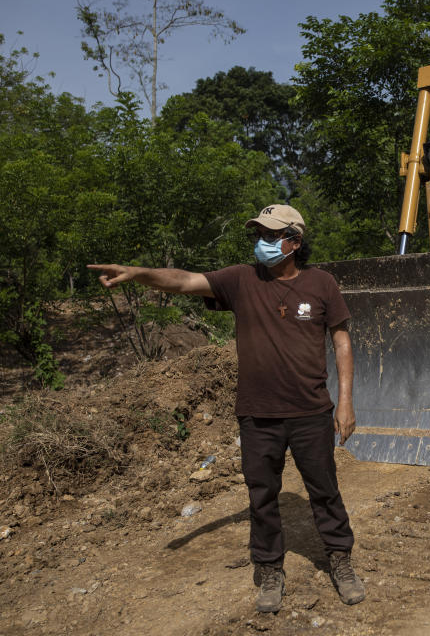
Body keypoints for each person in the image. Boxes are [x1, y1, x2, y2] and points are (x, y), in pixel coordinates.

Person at [88, 204, 366, 611]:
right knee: (261, 496)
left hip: (310, 412)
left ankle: (340, 560)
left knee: (324, 491)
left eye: (271, 236)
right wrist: (139, 273)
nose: (262, 243)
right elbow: (184, 282)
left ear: (295, 241)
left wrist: (345, 403)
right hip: (257, 414)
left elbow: (341, 341)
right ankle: (270, 569)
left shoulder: (322, 284)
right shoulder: (241, 280)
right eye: (258, 235)